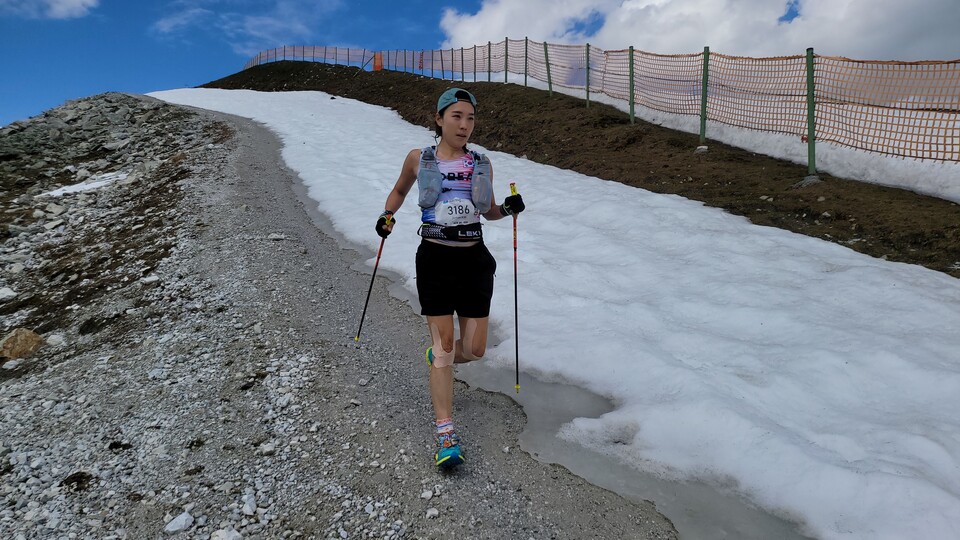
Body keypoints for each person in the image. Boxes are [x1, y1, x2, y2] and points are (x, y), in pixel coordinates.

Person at [375, 87, 525, 470]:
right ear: (439, 119)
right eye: (456, 116)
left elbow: (487, 210)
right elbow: (399, 191)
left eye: (470, 118)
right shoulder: (419, 159)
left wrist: (508, 208)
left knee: (474, 350)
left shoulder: (480, 163)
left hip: (474, 259)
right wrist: (387, 216)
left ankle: (437, 359)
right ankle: (446, 434)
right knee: (444, 348)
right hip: (436, 259)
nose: (464, 125)